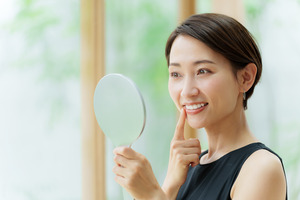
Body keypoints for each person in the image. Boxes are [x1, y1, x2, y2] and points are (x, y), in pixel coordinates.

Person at [112, 13, 287, 200]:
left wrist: (151, 195)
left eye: (203, 71)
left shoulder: (262, 168)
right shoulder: (185, 170)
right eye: (176, 74)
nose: (186, 91)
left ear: (245, 78)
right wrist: (170, 185)